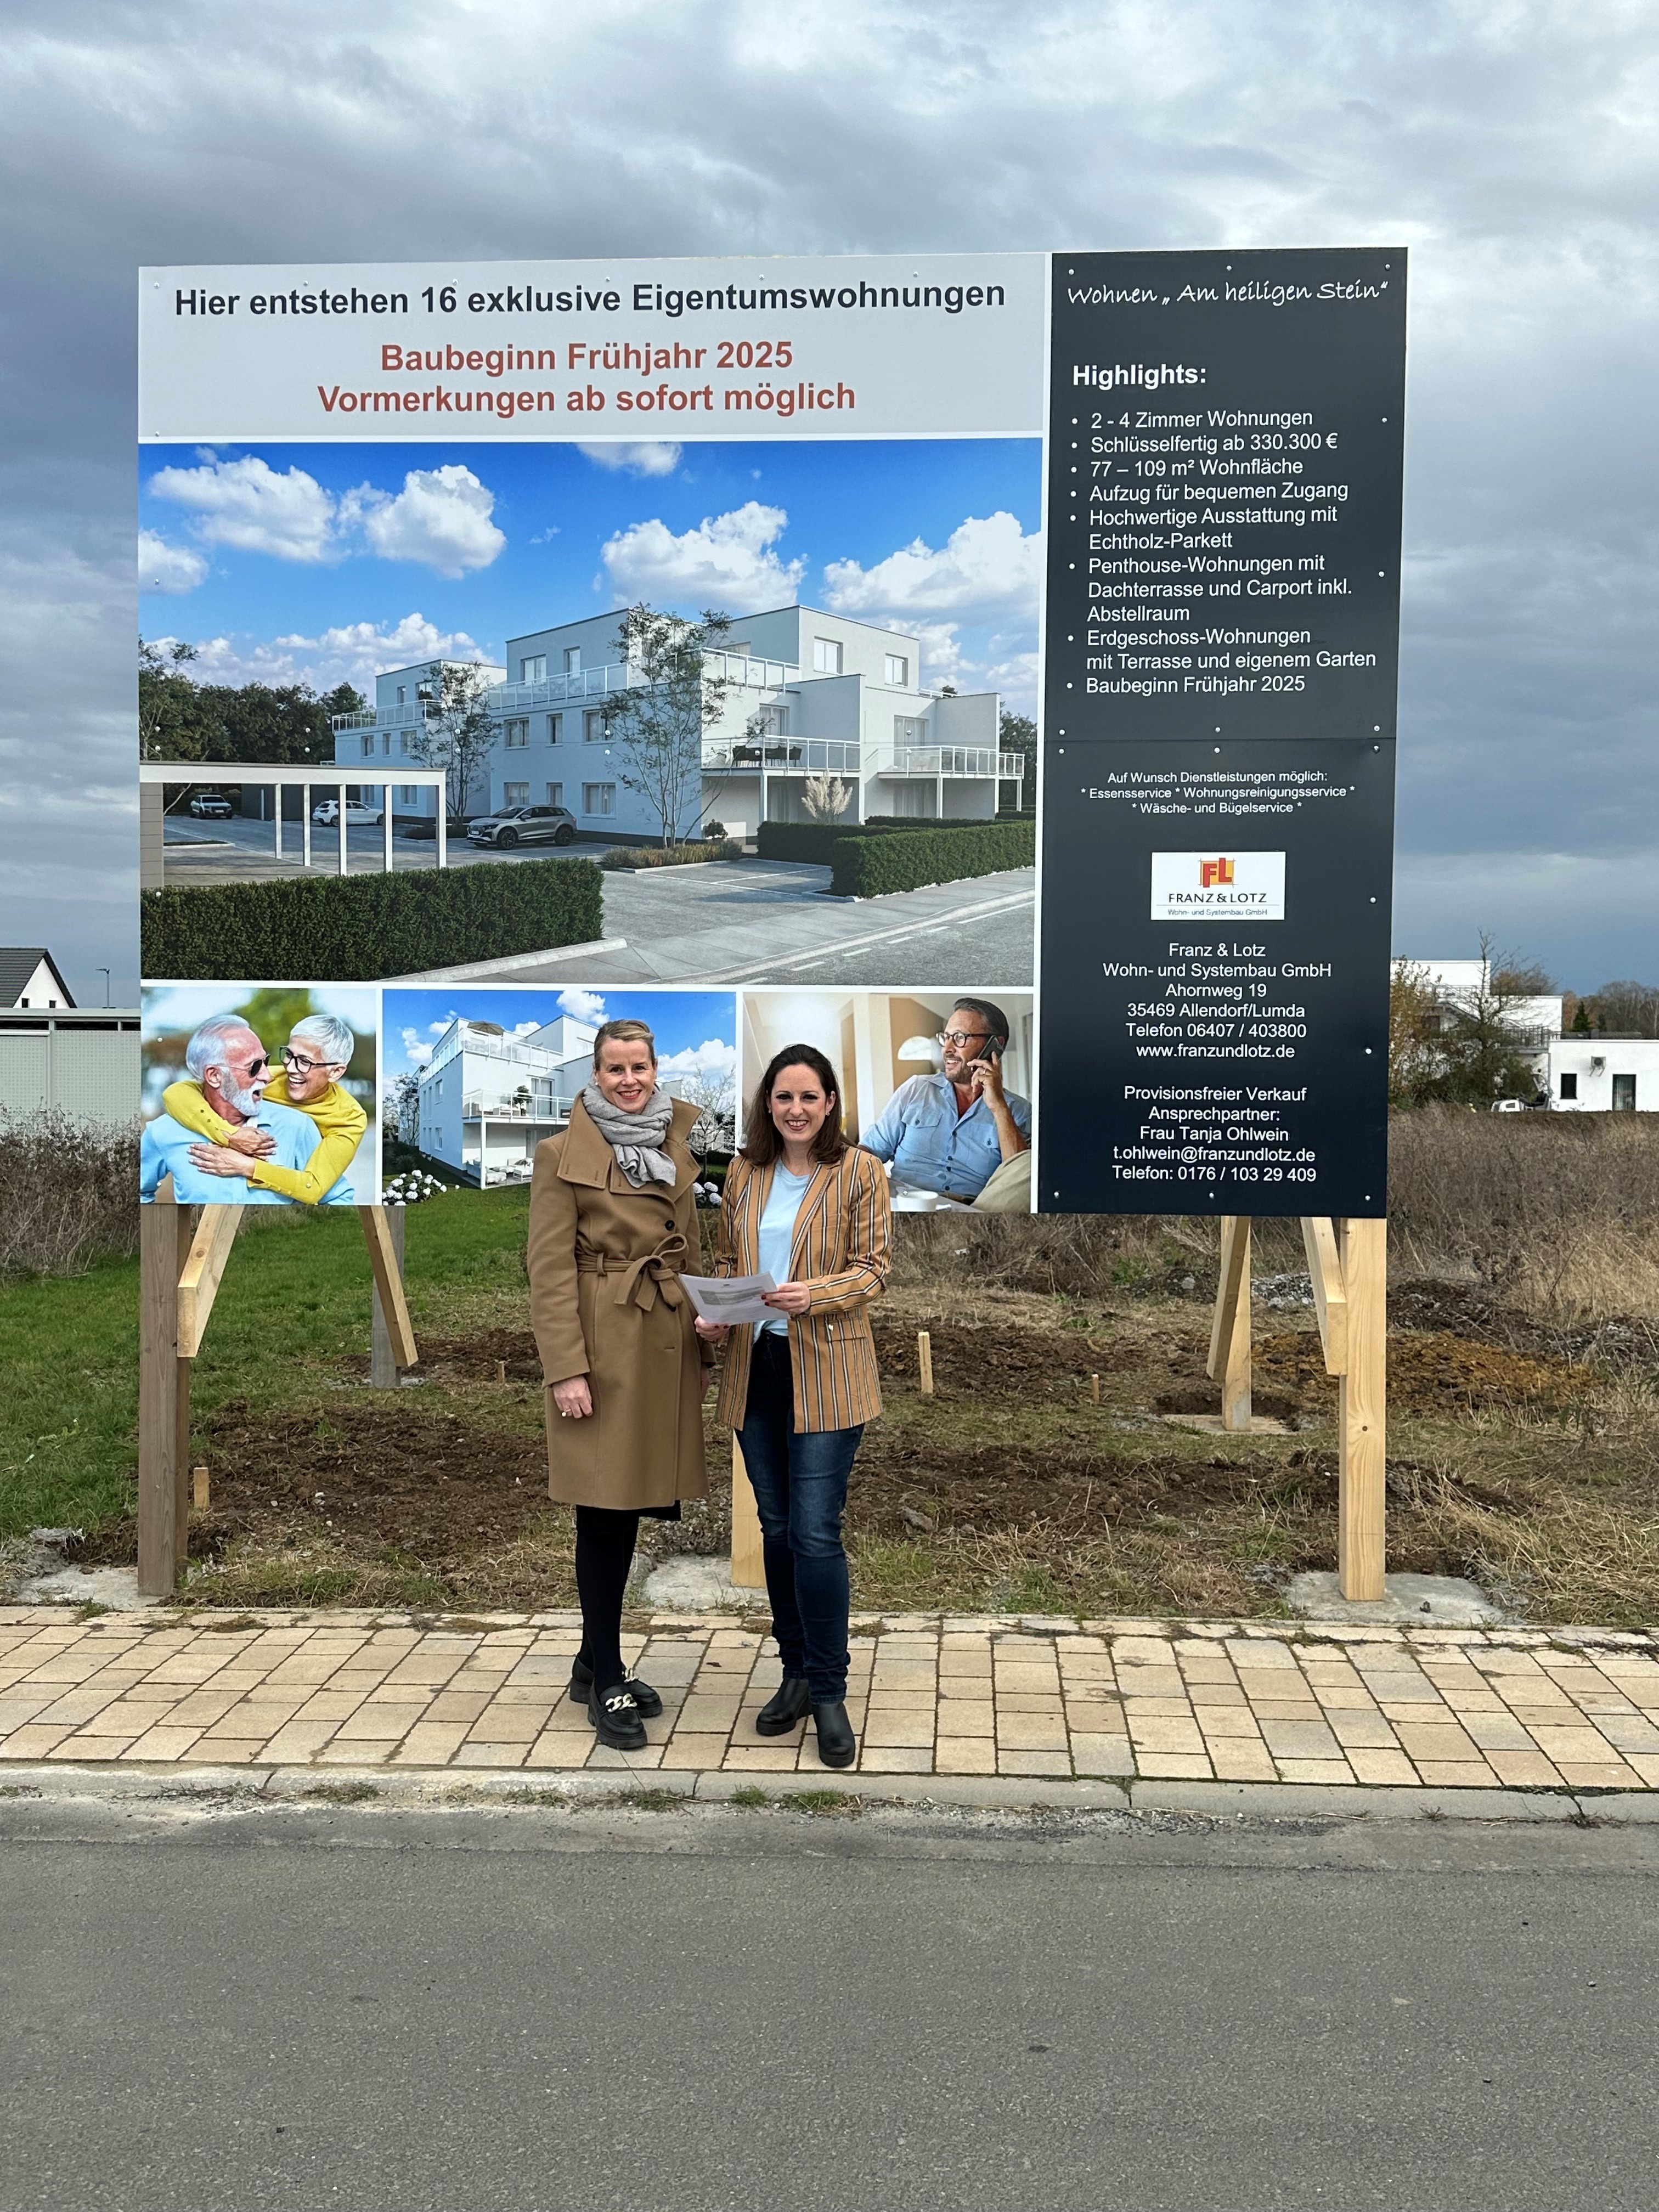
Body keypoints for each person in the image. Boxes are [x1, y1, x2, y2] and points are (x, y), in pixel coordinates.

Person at [698, 1044, 890, 1770]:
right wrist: (718, 1311)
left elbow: (874, 1271)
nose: (797, 1110)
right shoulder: (744, 1172)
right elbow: (728, 1261)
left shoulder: (860, 1171)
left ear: (830, 1103)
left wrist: (816, 1294)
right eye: (784, 1097)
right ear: (768, 1105)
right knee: (777, 1530)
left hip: (829, 1371)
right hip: (757, 1369)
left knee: (815, 1532)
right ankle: (797, 1673)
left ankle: (831, 1691)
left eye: (810, 1097)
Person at [526, 1018, 713, 1751]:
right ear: (596, 1075)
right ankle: (607, 1676)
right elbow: (548, 1270)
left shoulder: (674, 1144)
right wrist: (565, 1367)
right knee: (604, 1510)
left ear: (655, 1069)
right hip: (602, 1347)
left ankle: (588, 1659)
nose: (629, 1081)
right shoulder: (560, 1155)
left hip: (663, 1338)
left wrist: (705, 1329)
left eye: (639, 1067)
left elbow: (689, 1252)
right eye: (615, 1069)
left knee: (630, 1501)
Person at [161, 1012, 365, 1205]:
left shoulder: (349, 1119)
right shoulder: (271, 1078)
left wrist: (247, 1166)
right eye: (289, 1055)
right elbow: (178, 1093)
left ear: (335, 1072)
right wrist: (230, 1136)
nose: (290, 1068)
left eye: (305, 1062)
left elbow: (313, 1187)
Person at [860, 996, 1030, 1203]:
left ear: (995, 1045)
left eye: (960, 1038)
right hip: (903, 1204)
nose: (947, 1049)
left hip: (970, 1212)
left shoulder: (1020, 1112)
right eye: (946, 1037)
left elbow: (1020, 1182)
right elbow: (870, 1151)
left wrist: (999, 1108)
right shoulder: (916, 1089)